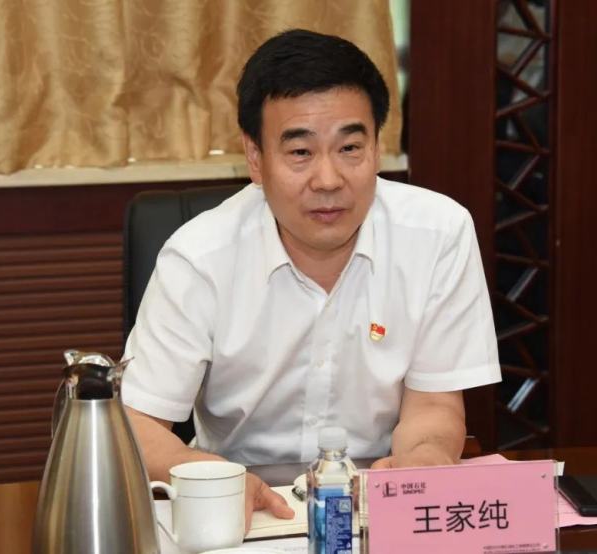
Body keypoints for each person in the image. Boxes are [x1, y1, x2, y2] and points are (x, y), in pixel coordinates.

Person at [121, 28, 501, 530]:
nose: (328, 180)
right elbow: (136, 422)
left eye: (350, 147)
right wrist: (211, 476)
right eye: (300, 152)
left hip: (374, 503)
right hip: (241, 507)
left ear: (378, 148)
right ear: (255, 158)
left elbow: (433, 404)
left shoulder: (439, 234)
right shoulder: (199, 256)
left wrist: (424, 462)